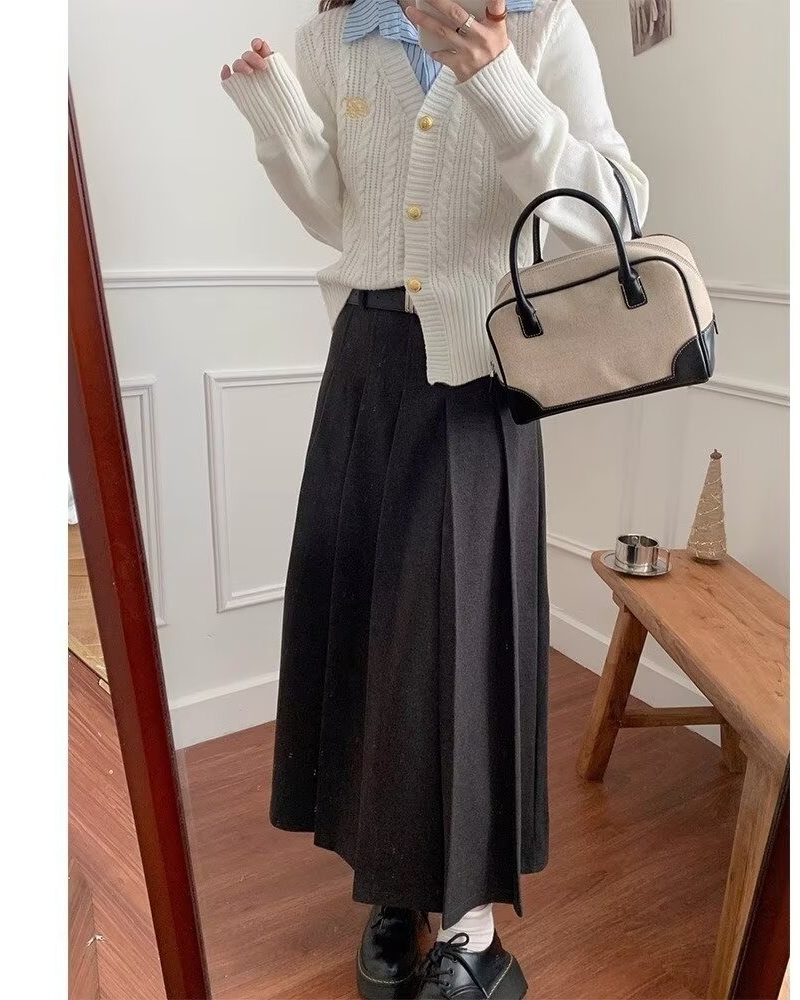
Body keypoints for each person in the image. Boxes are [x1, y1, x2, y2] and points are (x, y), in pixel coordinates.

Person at [220, 2, 648, 996]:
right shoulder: (334, 36)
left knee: (461, 648)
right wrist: (276, 113)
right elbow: (340, 216)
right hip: (365, 368)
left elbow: (616, 210)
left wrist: (497, 78)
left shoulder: (541, 24)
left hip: (479, 377)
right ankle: (393, 884)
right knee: (371, 641)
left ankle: (471, 927)